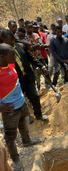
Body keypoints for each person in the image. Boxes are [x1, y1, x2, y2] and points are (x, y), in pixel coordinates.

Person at [0, 43, 42, 171]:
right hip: (10, 109)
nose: (15, 56)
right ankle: (15, 159)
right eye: (12, 54)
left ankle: (26, 140)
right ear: (2, 56)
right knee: (11, 135)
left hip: (21, 103)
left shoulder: (11, 64)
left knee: (24, 126)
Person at [2, 29, 49, 122]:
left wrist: (42, 66)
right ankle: (28, 117)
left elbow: (31, 58)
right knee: (22, 100)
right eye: (10, 40)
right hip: (16, 81)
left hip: (28, 77)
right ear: (3, 40)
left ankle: (39, 115)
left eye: (13, 39)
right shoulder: (3, 54)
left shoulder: (20, 46)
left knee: (34, 96)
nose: (12, 41)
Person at [25, 21, 45, 91]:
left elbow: (41, 44)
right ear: (25, 28)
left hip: (39, 57)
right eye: (29, 27)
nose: (31, 29)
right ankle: (36, 88)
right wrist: (35, 46)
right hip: (31, 59)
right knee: (34, 75)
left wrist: (33, 47)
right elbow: (28, 48)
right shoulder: (25, 37)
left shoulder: (36, 35)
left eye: (31, 27)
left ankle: (46, 86)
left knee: (44, 71)